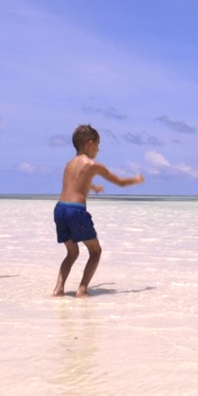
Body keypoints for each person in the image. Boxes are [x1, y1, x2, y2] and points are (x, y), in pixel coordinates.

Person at [53, 124, 145, 298]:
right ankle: (82, 290)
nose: (98, 149)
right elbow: (121, 182)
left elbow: (74, 183)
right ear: (90, 144)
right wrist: (137, 179)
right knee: (96, 252)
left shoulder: (68, 164)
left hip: (60, 210)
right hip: (76, 211)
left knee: (72, 253)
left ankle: (58, 289)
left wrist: (92, 186)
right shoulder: (92, 165)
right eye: (98, 145)